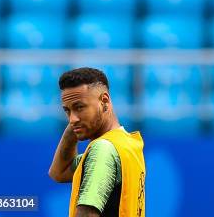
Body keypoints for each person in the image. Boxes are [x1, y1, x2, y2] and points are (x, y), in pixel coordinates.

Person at [48, 67, 146, 217]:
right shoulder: (126, 144)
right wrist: (77, 123)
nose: (72, 118)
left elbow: (87, 214)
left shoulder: (102, 150)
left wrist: (76, 121)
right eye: (67, 111)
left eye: (79, 107)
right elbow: (59, 173)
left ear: (104, 101)